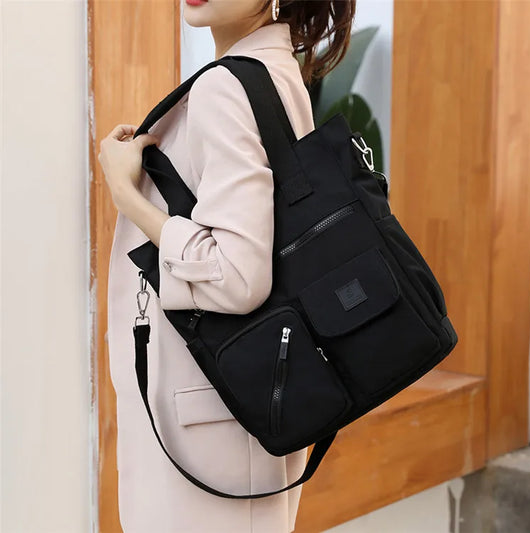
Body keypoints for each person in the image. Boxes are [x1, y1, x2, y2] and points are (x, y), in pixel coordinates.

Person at [98, 0, 356, 531]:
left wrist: (128, 195)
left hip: (208, 431)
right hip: (240, 410)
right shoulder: (276, 70)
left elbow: (239, 277)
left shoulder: (226, 87)